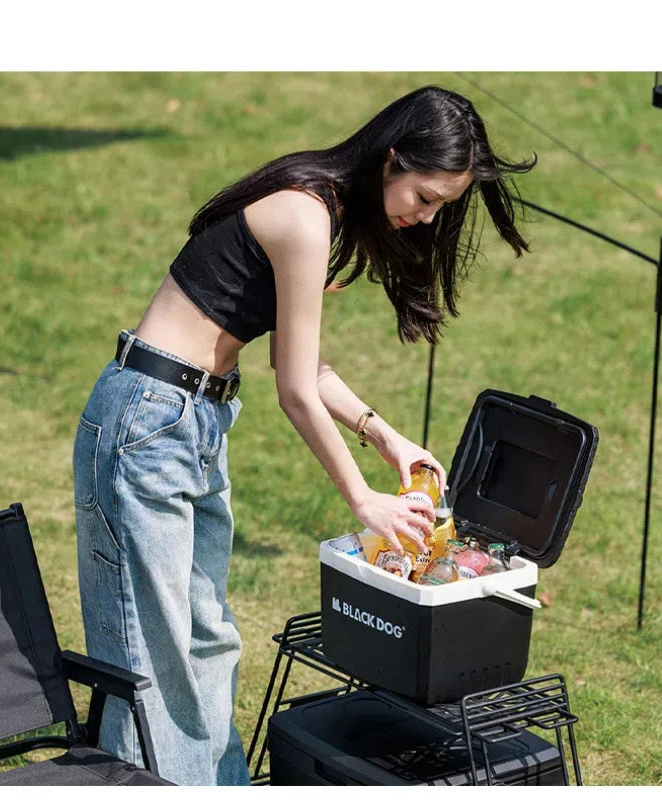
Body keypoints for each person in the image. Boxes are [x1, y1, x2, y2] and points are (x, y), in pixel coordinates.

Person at [72, 84, 535, 786]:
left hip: (190, 420)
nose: (427, 215)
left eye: (442, 205)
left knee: (204, 639)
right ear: (391, 160)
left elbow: (304, 361)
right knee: (152, 649)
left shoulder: (327, 210)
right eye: (426, 196)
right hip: (151, 418)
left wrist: (385, 438)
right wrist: (363, 498)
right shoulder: (303, 212)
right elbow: (291, 388)